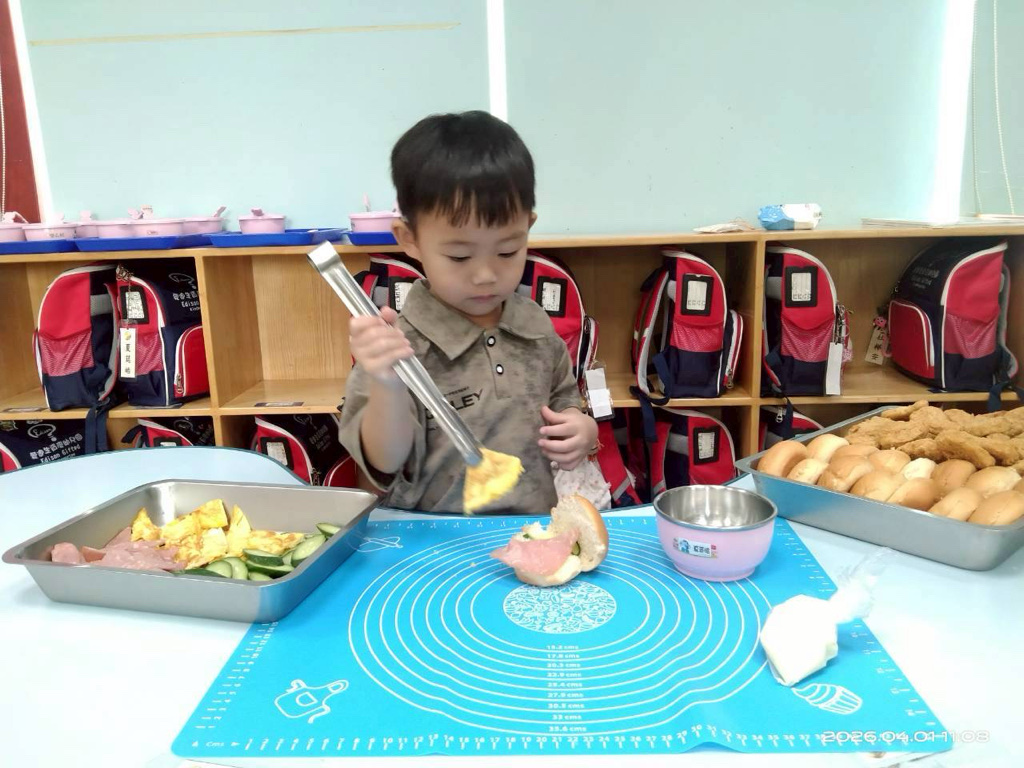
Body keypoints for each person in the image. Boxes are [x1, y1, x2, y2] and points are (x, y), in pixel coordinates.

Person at [338, 110, 598, 514]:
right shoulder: (399, 346)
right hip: (434, 539)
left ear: (528, 228)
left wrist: (582, 427)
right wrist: (386, 384)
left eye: (508, 251)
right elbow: (384, 461)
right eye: (459, 256)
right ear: (410, 239)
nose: (485, 275)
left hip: (531, 529)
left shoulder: (533, 323)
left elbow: (564, 396)